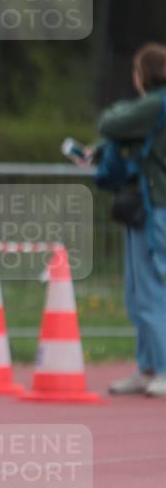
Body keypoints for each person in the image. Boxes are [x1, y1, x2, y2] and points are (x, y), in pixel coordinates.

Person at [98, 43, 166, 398]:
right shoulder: (153, 108)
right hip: (148, 205)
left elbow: (111, 122)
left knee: (152, 287)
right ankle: (148, 366)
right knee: (138, 290)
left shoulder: (156, 104)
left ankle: (162, 368)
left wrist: (124, 108)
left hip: (157, 206)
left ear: (144, 75)